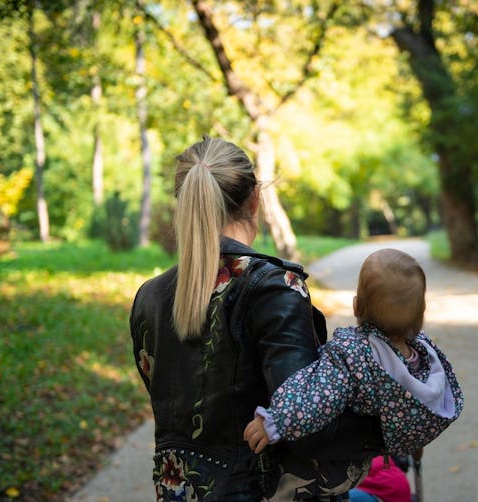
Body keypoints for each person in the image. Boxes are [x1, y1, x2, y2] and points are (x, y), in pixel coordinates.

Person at [130, 135, 372, 501]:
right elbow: (306, 425)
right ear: (255, 197)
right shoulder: (275, 287)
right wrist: (385, 419)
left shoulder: (149, 297)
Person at [244, 248, 464, 462]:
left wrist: (277, 420)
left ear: (356, 306)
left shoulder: (355, 354)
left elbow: (320, 395)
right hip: (397, 436)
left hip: (344, 452)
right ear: (421, 313)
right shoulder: (425, 355)